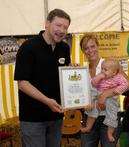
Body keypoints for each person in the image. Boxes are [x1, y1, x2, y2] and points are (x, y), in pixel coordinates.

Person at [14, 9, 71, 147]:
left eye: (65, 27)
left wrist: (71, 71)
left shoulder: (64, 48)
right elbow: (22, 83)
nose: (62, 30)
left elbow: (64, 77)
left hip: (56, 116)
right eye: (58, 25)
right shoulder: (28, 47)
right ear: (47, 23)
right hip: (33, 118)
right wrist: (47, 101)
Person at [80, 34, 129, 147]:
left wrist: (106, 94)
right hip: (89, 116)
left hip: (109, 116)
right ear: (83, 51)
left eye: (92, 46)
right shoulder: (82, 70)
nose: (90, 50)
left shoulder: (110, 64)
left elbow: (128, 85)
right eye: (86, 48)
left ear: (98, 46)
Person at [81, 58, 129, 142]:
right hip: (99, 93)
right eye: (102, 69)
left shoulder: (118, 77)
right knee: (92, 111)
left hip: (111, 98)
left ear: (114, 72)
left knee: (112, 115)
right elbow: (93, 83)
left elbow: (126, 84)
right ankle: (88, 127)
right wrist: (99, 77)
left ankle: (110, 133)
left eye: (105, 70)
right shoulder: (101, 76)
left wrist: (118, 90)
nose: (103, 71)